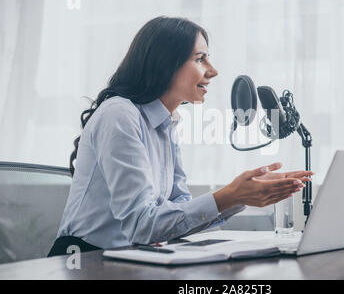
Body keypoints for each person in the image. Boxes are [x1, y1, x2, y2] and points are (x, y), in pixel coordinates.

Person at [48, 16, 313, 257]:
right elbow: (142, 225)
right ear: (165, 64)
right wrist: (230, 196)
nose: (213, 71)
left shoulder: (166, 121)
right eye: (200, 59)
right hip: (86, 260)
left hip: (131, 259)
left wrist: (238, 196)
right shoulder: (119, 115)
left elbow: (176, 212)